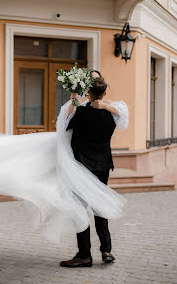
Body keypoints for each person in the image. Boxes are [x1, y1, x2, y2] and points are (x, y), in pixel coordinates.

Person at [0, 70, 129, 246]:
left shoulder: (100, 109)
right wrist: (76, 102)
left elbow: (71, 127)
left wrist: (100, 106)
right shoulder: (96, 111)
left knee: (85, 207)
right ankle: (103, 249)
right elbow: (64, 127)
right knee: (91, 205)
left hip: (87, 163)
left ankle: (87, 253)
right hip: (91, 162)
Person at [60, 78, 119, 268]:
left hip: (82, 166)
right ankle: (106, 249)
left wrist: (73, 101)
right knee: (100, 207)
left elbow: (65, 127)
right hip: (102, 165)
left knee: (80, 209)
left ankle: (84, 254)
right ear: (104, 94)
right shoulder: (111, 116)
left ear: (89, 93)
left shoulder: (82, 112)